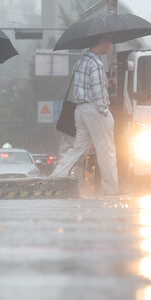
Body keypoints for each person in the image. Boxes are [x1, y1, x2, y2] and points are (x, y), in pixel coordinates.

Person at [50, 34, 121, 196]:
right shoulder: (96, 63)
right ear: (101, 42)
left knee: (78, 149)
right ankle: (111, 189)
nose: (109, 46)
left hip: (80, 110)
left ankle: (55, 178)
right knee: (107, 150)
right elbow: (97, 91)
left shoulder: (81, 61)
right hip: (95, 110)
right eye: (108, 42)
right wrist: (104, 110)